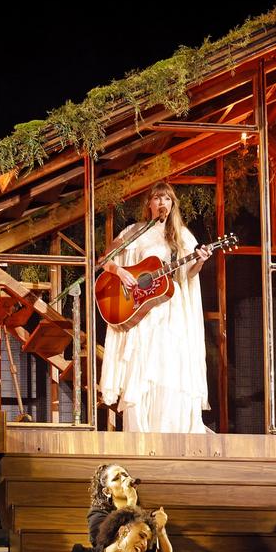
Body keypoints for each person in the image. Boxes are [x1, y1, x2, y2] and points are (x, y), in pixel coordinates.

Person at [98, 182, 212, 433]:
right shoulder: (134, 232)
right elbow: (104, 260)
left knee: (170, 364)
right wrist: (120, 272)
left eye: (167, 199)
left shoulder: (181, 235)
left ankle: (171, 429)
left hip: (171, 310)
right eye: (158, 198)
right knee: (143, 362)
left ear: (173, 205)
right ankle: (141, 430)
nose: (162, 203)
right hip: (142, 311)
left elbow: (187, 274)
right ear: (148, 203)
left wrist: (200, 262)